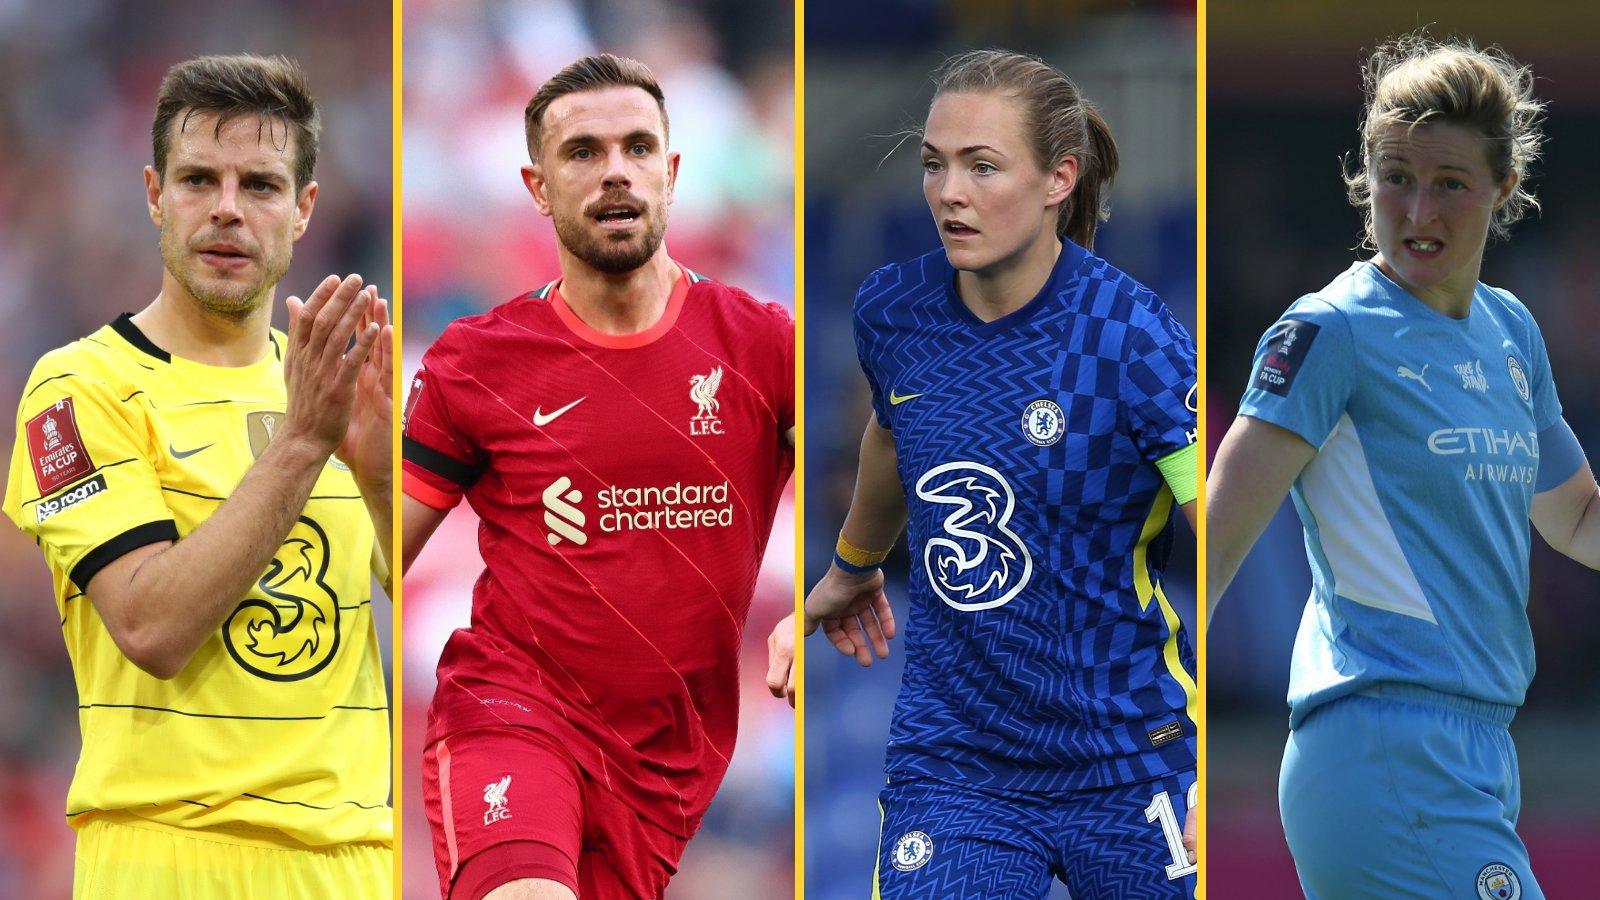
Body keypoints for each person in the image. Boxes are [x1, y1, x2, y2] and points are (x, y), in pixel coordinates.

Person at [801, 49, 1199, 899]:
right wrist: (854, 566)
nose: (950, 192)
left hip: (1130, 757)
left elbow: (1222, 517)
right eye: (934, 165)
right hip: (957, 766)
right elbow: (888, 432)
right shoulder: (893, 311)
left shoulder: (1133, 337)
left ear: (1058, 179)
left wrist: (1235, 751)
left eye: (982, 167)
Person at [400, 53, 794, 900]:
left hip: (664, 765)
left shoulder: (762, 346)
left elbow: (888, 459)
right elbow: (375, 551)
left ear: (672, 172)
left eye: (637, 147)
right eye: (582, 153)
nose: (615, 170)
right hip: (509, 713)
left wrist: (834, 586)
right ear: (538, 186)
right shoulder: (479, 361)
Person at [2, 54, 394, 897]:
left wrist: (379, 476)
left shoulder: (335, 388)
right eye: (197, 179)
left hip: (352, 865)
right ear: (154, 195)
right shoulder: (77, 390)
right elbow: (151, 628)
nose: (226, 208)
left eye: (259, 183)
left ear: (303, 208)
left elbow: (436, 594)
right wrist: (301, 447)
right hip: (167, 858)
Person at [1206, 33, 1586, 899]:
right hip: (1379, 750)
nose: (1418, 211)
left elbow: (1575, 518)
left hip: (1480, 749)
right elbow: (1215, 537)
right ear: (1365, 182)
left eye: (1450, 184)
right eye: (1395, 179)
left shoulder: (1513, 332)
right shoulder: (1330, 330)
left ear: (1504, 190)